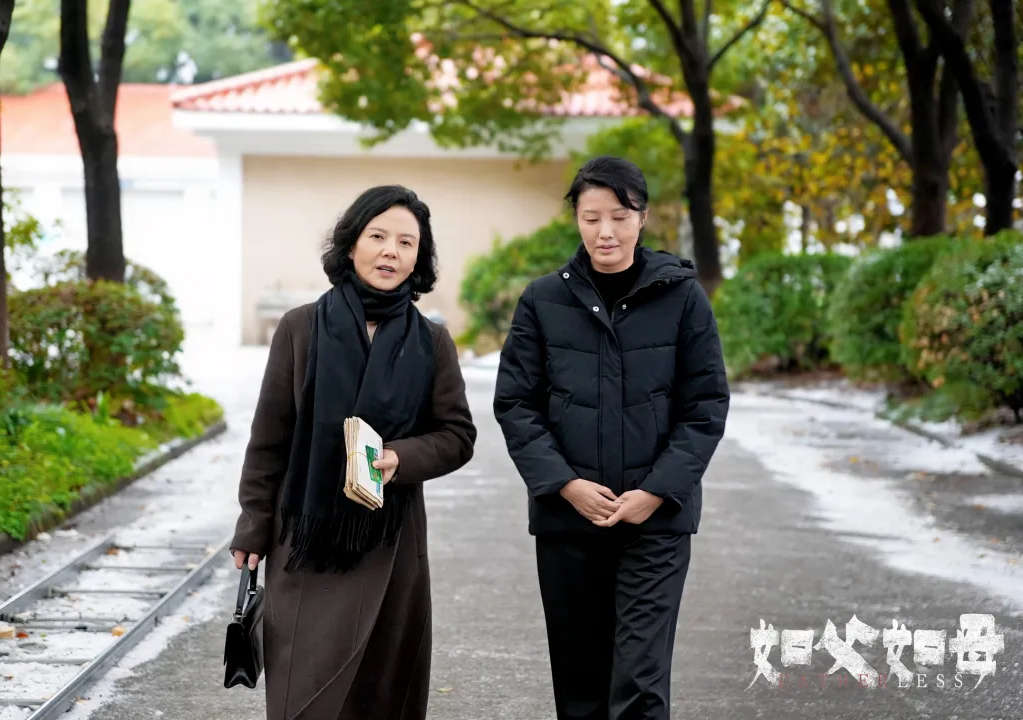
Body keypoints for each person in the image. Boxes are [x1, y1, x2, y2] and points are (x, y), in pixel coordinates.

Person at [493, 156, 729, 720]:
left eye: (620, 217)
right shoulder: (542, 301)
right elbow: (516, 403)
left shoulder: (683, 298)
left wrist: (656, 491)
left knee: (640, 684)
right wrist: (565, 484)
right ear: (576, 218)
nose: (606, 232)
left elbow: (705, 406)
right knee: (581, 684)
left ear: (642, 218)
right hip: (568, 522)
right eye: (592, 217)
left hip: (656, 523)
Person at [230, 184, 477, 720]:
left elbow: (458, 435)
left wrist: (400, 458)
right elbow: (269, 438)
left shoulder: (431, 342)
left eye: (407, 243)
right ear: (351, 244)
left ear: (419, 258)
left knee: (380, 693)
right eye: (378, 236)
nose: (391, 251)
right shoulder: (301, 328)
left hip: (390, 540)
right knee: (304, 693)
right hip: (306, 541)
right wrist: (253, 525)